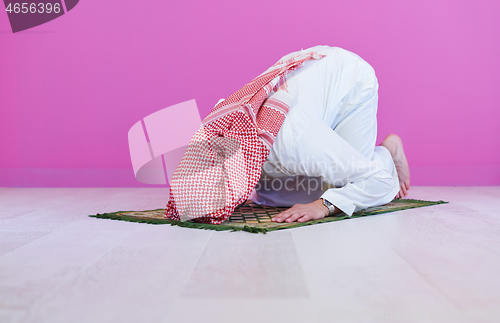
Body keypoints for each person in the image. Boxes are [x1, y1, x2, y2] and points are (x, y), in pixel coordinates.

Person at [243, 45, 411, 223]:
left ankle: (387, 153)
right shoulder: (229, 138)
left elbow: (380, 182)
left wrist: (324, 206)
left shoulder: (291, 141)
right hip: (307, 78)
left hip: (349, 78)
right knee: (271, 197)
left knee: (346, 185)